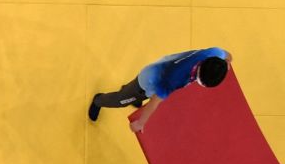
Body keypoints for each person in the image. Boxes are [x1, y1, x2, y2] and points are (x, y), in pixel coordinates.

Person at [89, 47, 230, 131]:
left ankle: (132, 94)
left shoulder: (215, 53)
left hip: (161, 77)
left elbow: (228, 56)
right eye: (202, 82)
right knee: (122, 100)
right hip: (148, 81)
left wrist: (226, 64)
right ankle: (99, 100)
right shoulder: (176, 77)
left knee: (138, 95)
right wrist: (140, 123)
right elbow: (155, 100)